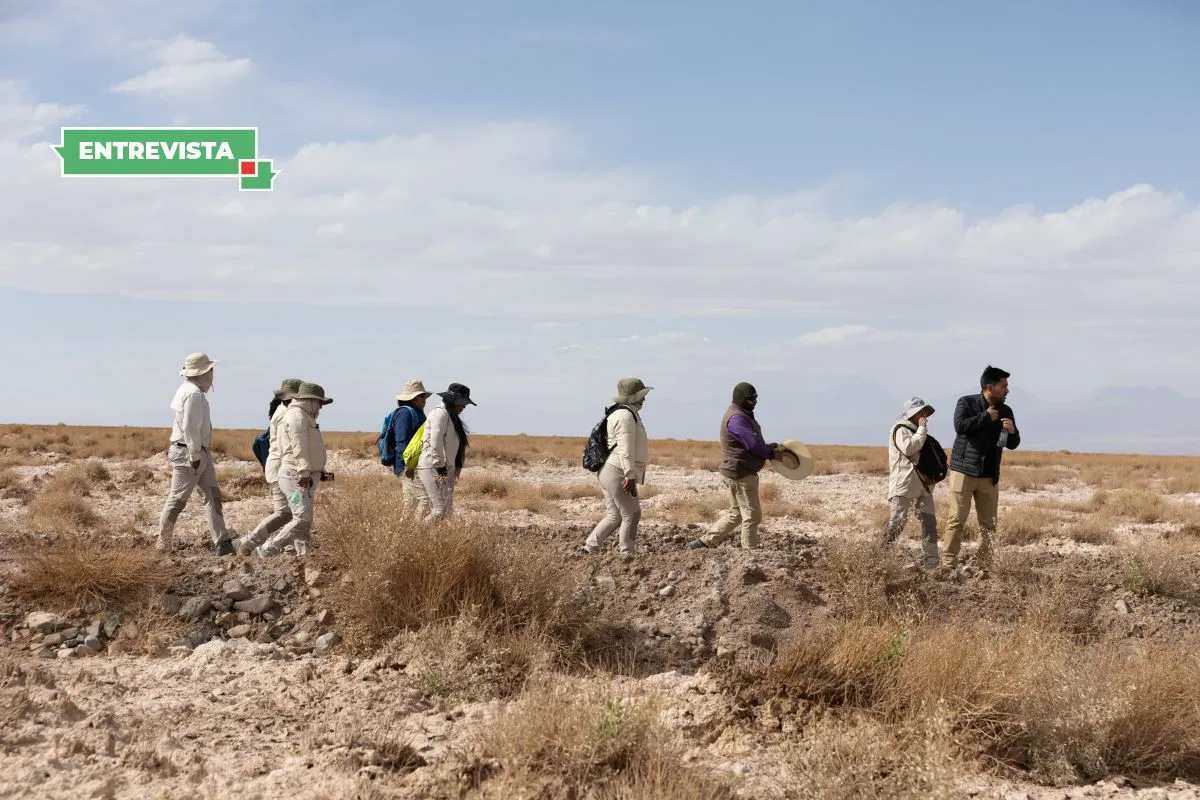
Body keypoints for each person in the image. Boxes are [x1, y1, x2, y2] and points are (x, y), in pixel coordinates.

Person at [154, 352, 236, 555]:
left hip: (197, 451)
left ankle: (222, 542)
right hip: (190, 453)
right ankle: (163, 545)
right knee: (177, 500)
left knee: (212, 495)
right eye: (210, 370)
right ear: (203, 372)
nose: (212, 374)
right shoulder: (193, 394)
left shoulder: (187, 390)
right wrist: (194, 455)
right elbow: (190, 427)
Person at [689, 382, 787, 550]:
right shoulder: (737, 418)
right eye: (751, 399)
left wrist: (767, 447)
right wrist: (771, 453)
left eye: (756, 398)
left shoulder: (740, 415)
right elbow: (752, 443)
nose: (755, 401)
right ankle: (749, 553)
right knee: (752, 515)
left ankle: (703, 543)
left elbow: (749, 443)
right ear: (741, 399)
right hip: (740, 473)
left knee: (736, 513)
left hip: (736, 471)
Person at [942, 365, 1021, 567]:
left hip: (989, 475)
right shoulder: (966, 403)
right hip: (964, 472)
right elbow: (960, 426)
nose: (1007, 390)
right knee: (956, 520)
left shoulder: (1006, 411)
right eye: (1003, 386)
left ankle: (984, 564)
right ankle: (948, 563)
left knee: (989, 524)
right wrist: (986, 416)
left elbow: (1013, 444)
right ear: (989, 387)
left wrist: (1012, 431)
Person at [258, 382, 334, 557]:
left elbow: (310, 447)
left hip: (301, 477)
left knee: (302, 516)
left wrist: (318, 470)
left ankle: (303, 554)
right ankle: (268, 548)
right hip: (296, 477)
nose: (321, 407)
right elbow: (298, 446)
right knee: (302, 519)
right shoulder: (297, 417)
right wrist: (304, 471)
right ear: (311, 400)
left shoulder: (303, 416)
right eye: (319, 403)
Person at [579, 378, 652, 557]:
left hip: (610, 470)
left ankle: (589, 548)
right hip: (618, 470)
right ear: (632, 397)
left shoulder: (623, 413)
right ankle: (627, 555)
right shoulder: (625, 416)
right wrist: (630, 475)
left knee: (615, 516)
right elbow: (625, 449)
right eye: (641, 395)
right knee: (632, 514)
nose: (644, 399)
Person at [234, 378, 302, 557]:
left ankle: (290, 548)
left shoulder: (282, 411)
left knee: (294, 511)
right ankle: (249, 543)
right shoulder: (287, 414)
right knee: (286, 512)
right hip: (282, 471)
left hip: (280, 470)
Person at [881, 397, 941, 569]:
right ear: (911, 414)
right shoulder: (900, 429)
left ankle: (932, 563)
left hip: (923, 485)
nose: (924, 415)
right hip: (904, 484)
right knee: (897, 523)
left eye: (925, 412)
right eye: (921, 412)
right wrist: (922, 429)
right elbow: (909, 448)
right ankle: (878, 554)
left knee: (929, 524)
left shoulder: (919, 432)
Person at [416, 383, 475, 524]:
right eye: (462, 403)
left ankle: (429, 535)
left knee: (447, 511)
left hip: (444, 469)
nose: (464, 407)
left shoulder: (451, 416)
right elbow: (435, 441)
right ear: (453, 401)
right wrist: (440, 466)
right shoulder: (440, 413)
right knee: (439, 509)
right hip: (433, 466)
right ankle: (416, 532)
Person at [389, 379, 432, 522]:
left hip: (414, 465)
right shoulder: (405, 413)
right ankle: (417, 531)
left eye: (425, 396)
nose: (425, 399)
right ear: (413, 398)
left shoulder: (417, 412)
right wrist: (409, 464)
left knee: (411, 503)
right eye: (422, 396)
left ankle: (403, 532)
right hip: (408, 466)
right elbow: (402, 441)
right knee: (426, 499)